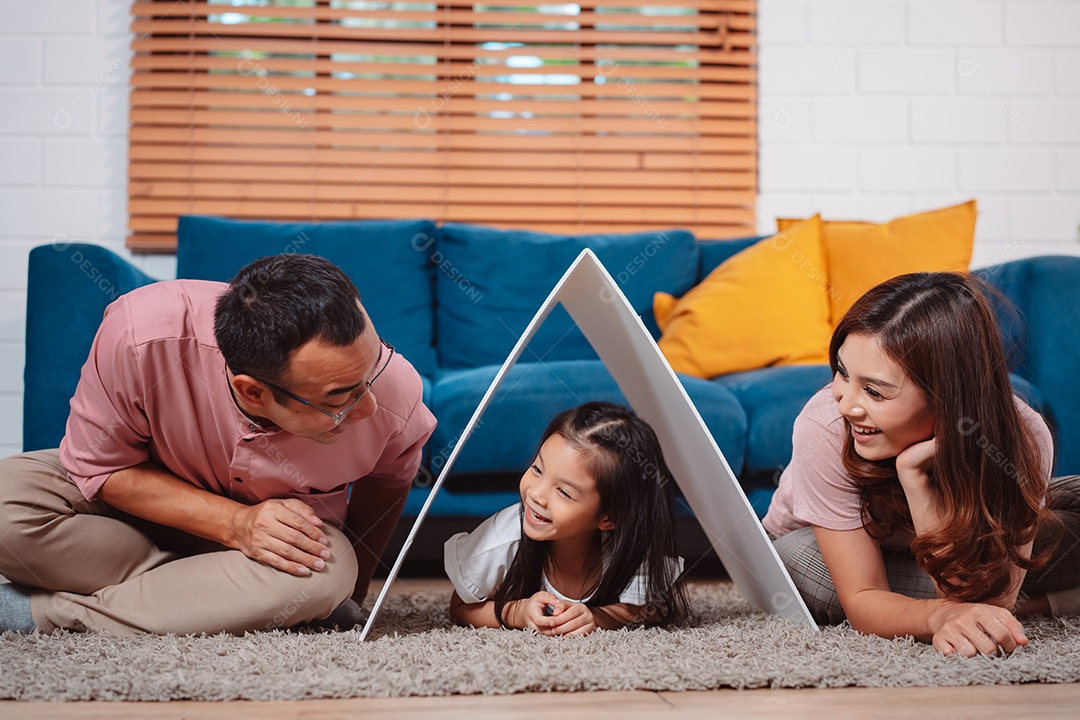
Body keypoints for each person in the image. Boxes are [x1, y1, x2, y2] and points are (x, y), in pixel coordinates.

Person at [0, 254, 436, 635]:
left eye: (372, 366)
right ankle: (200, 595)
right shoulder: (139, 337)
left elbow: (387, 485)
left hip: (274, 553)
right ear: (253, 393)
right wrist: (236, 524)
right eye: (339, 399)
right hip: (131, 518)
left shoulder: (396, 390)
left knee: (327, 574)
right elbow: (100, 469)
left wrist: (351, 593)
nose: (369, 408)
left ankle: (43, 612)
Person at [763, 271, 1080, 658]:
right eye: (842, 373)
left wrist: (917, 481)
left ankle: (1031, 599)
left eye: (875, 391)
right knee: (800, 564)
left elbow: (996, 600)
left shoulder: (1023, 433)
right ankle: (1048, 601)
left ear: (947, 397)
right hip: (837, 551)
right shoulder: (825, 425)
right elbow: (865, 598)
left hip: (953, 549)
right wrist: (940, 616)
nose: (846, 404)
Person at [444, 401, 689, 636]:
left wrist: (597, 617)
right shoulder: (501, 540)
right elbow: (459, 607)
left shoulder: (625, 547)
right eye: (537, 470)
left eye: (563, 492)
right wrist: (517, 613)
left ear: (609, 518)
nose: (536, 494)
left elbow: (656, 606)